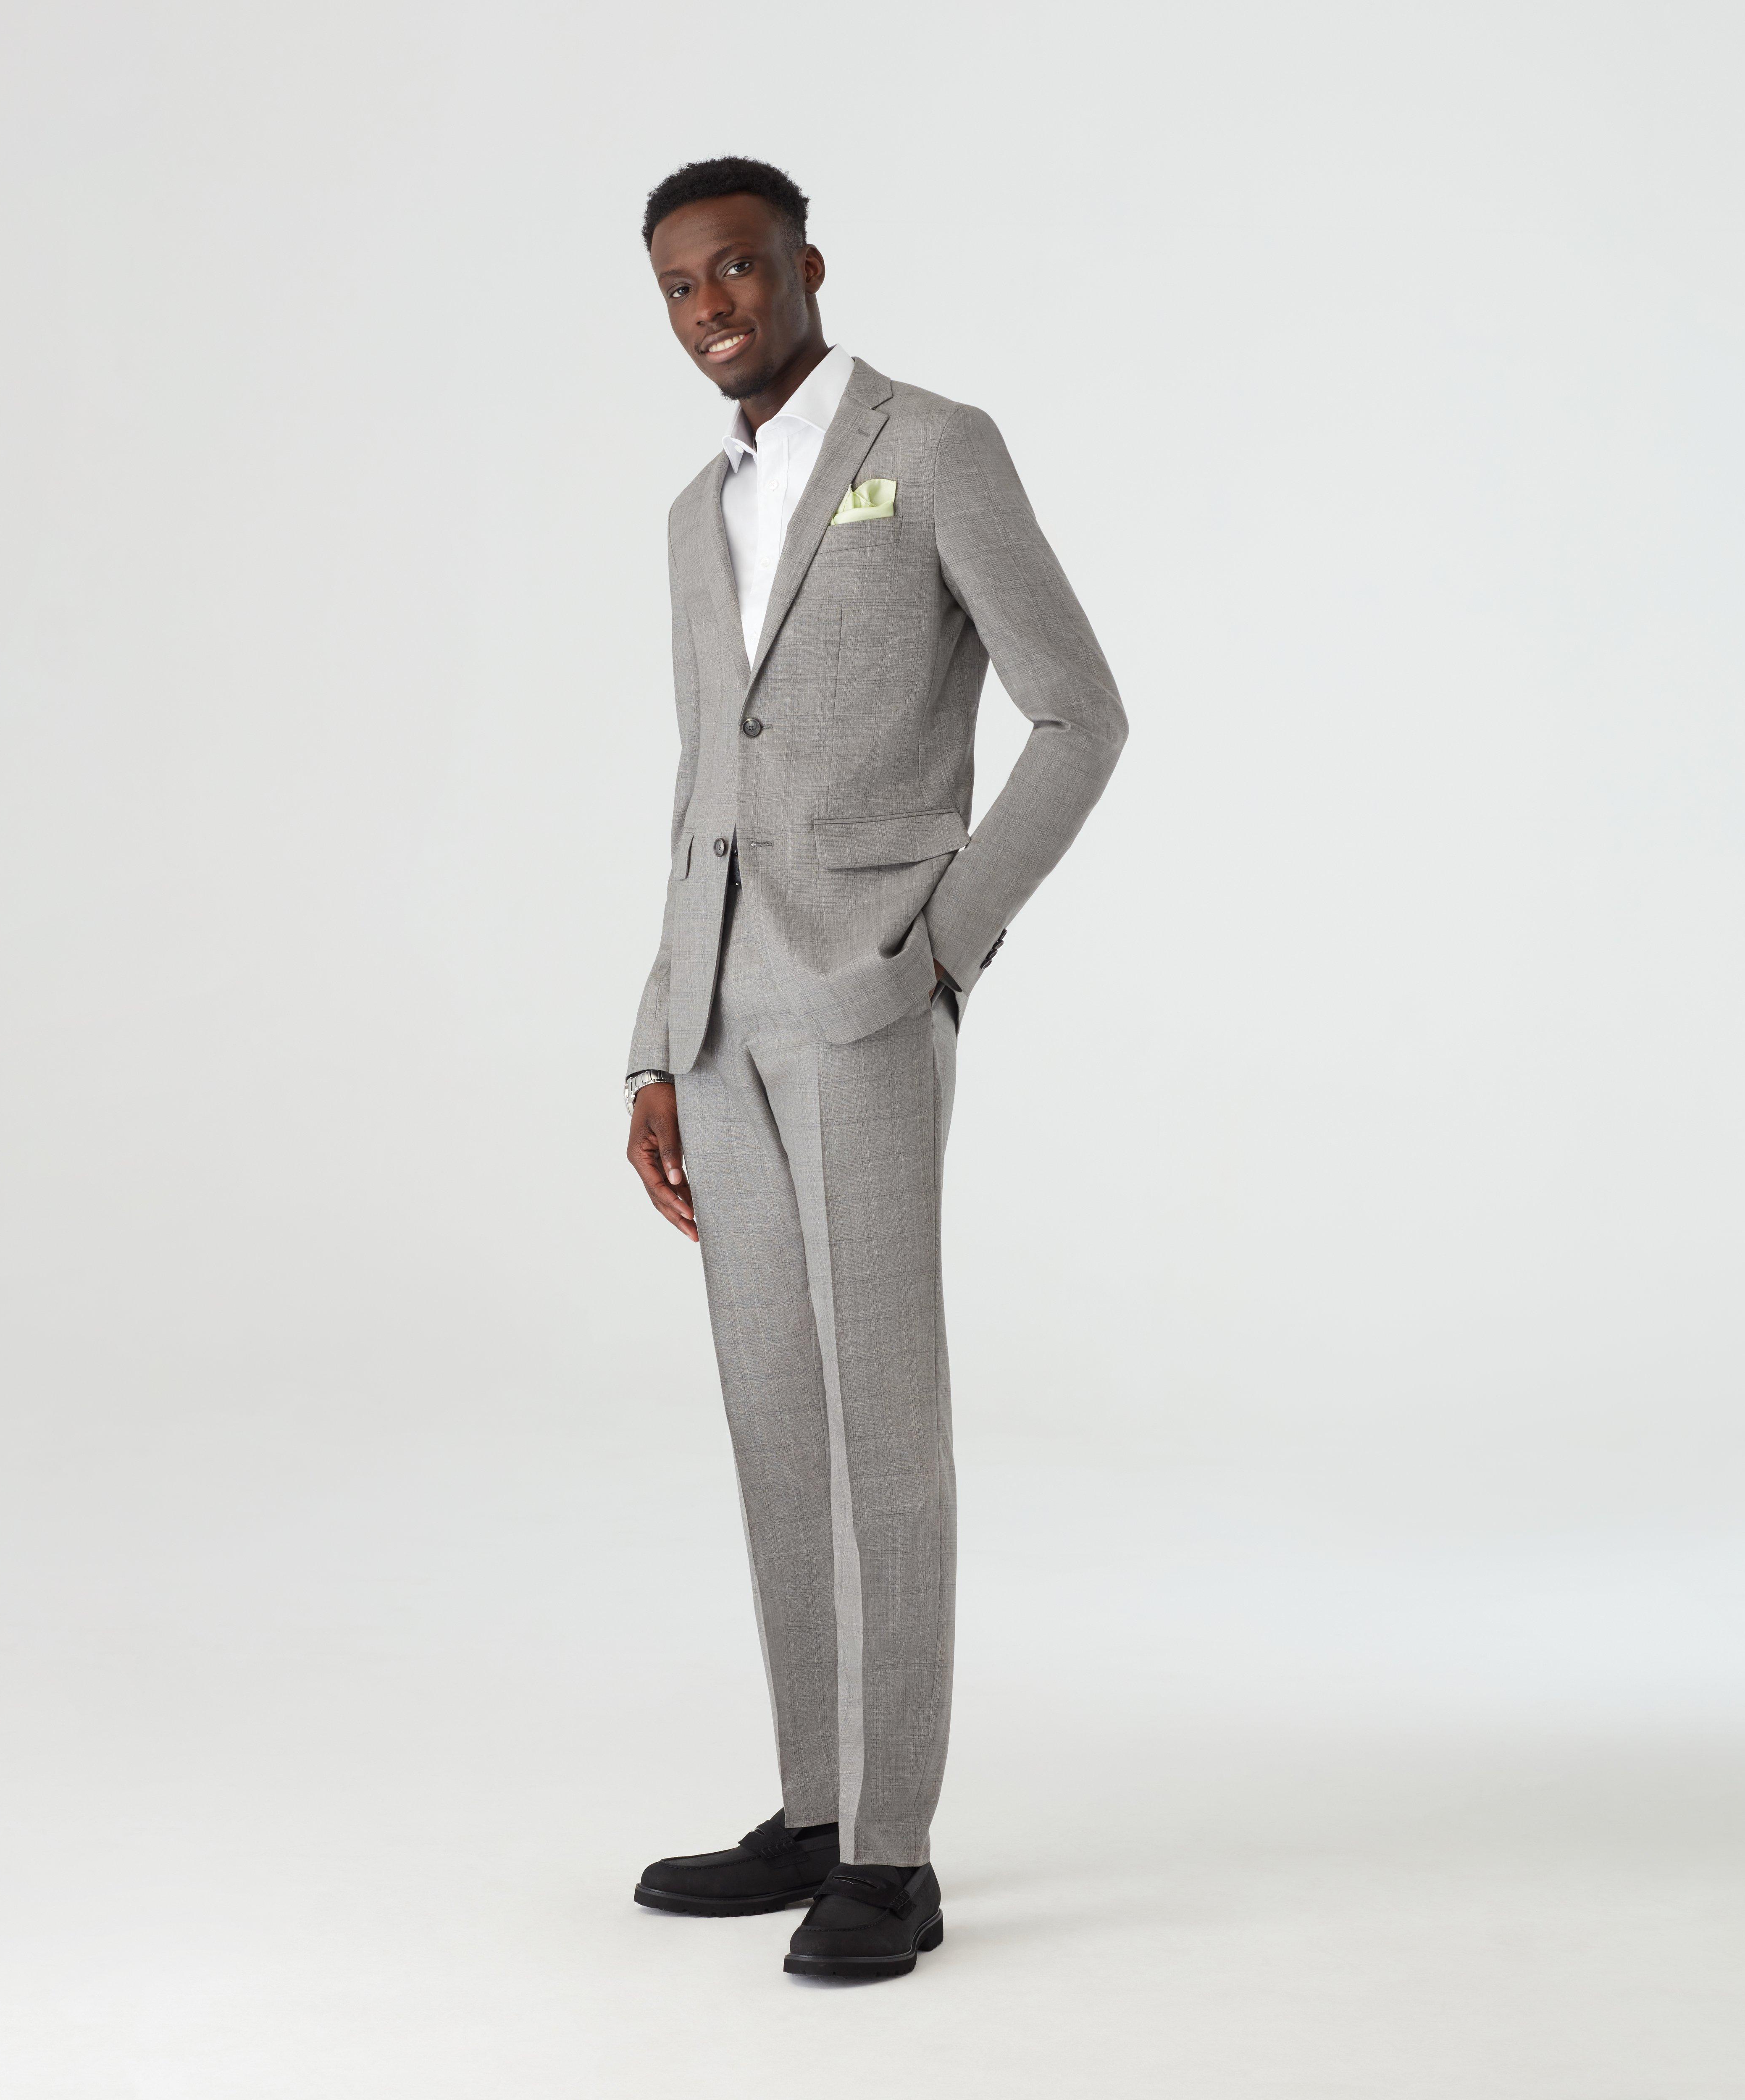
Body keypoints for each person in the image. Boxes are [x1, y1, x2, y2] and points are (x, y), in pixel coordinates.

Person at [622, 156, 1126, 1981]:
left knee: (882, 1422)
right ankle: (816, 1806)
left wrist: (941, 948)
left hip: (865, 1003)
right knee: (776, 1419)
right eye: (682, 287)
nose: (714, 307)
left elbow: (1079, 714)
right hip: (720, 1017)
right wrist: (651, 1040)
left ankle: (893, 1855)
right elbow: (705, 785)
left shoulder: (935, 447)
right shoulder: (695, 509)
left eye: (739, 269)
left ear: (806, 265)